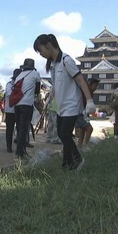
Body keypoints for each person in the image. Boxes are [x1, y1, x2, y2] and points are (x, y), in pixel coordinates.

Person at [33, 33, 95, 170]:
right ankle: (67, 163)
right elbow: (56, 86)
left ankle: (77, 159)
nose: (40, 53)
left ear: (48, 46)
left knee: (65, 134)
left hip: (71, 104)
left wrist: (89, 101)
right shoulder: (54, 65)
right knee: (62, 134)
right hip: (61, 105)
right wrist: (49, 99)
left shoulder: (66, 60)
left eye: (40, 49)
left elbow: (80, 80)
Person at [12, 58, 41, 160]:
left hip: (17, 104)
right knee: (24, 129)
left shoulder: (19, 76)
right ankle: (20, 152)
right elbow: (37, 89)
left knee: (19, 127)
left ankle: (20, 150)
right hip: (27, 104)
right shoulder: (35, 74)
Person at [76, 78, 100, 148]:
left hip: (85, 113)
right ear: (90, 84)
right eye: (95, 85)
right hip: (81, 112)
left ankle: (79, 146)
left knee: (82, 130)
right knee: (89, 129)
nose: (96, 87)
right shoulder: (87, 90)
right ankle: (85, 146)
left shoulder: (91, 92)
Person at [4, 69, 21, 153]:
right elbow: (9, 94)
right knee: (9, 129)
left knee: (20, 129)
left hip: (19, 110)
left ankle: (19, 147)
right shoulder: (9, 84)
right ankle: (9, 146)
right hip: (10, 110)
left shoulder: (22, 84)